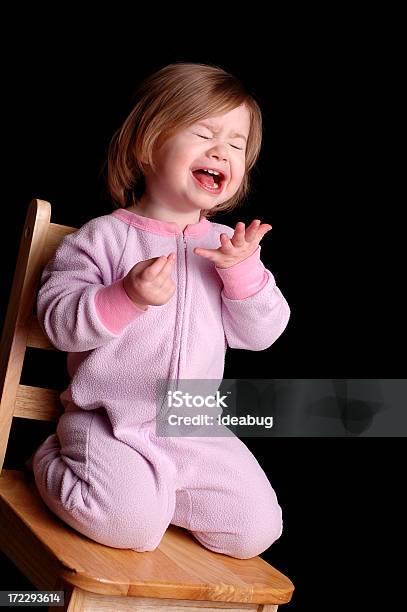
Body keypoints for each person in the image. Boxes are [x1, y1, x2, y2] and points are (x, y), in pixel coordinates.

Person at [31, 62, 291, 559]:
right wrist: (124, 296)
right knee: (131, 529)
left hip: (192, 425)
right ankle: (53, 460)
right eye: (203, 133)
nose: (222, 151)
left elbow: (262, 333)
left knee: (256, 530)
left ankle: (153, 489)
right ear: (147, 144)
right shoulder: (103, 238)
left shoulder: (227, 247)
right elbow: (58, 322)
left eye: (237, 145)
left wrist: (243, 274)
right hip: (110, 420)